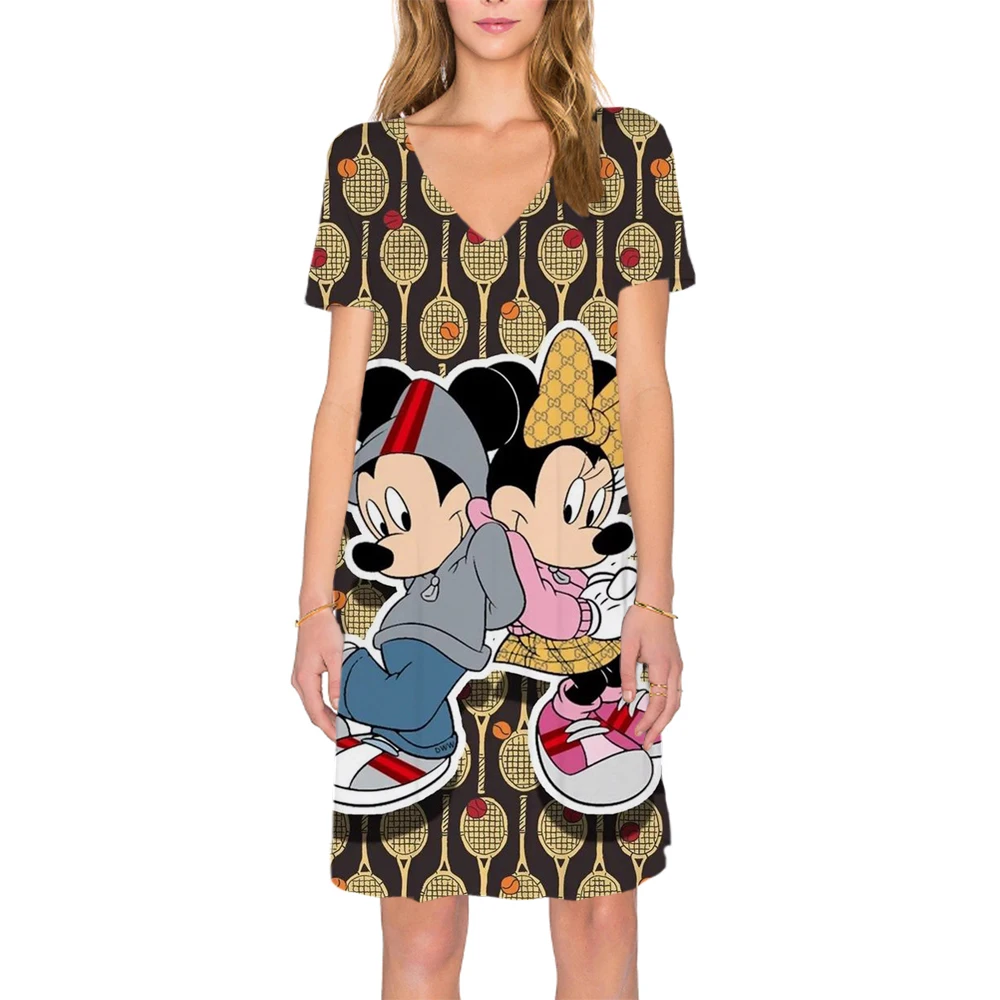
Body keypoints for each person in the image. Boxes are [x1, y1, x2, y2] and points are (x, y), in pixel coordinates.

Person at [290, 2, 696, 997]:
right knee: (421, 930)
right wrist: (311, 609)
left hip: (583, 581)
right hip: (406, 593)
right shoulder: (366, 165)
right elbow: (341, 403)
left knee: (599, 915)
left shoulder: (628, 154)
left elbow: (643, 390)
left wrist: (653, 599)